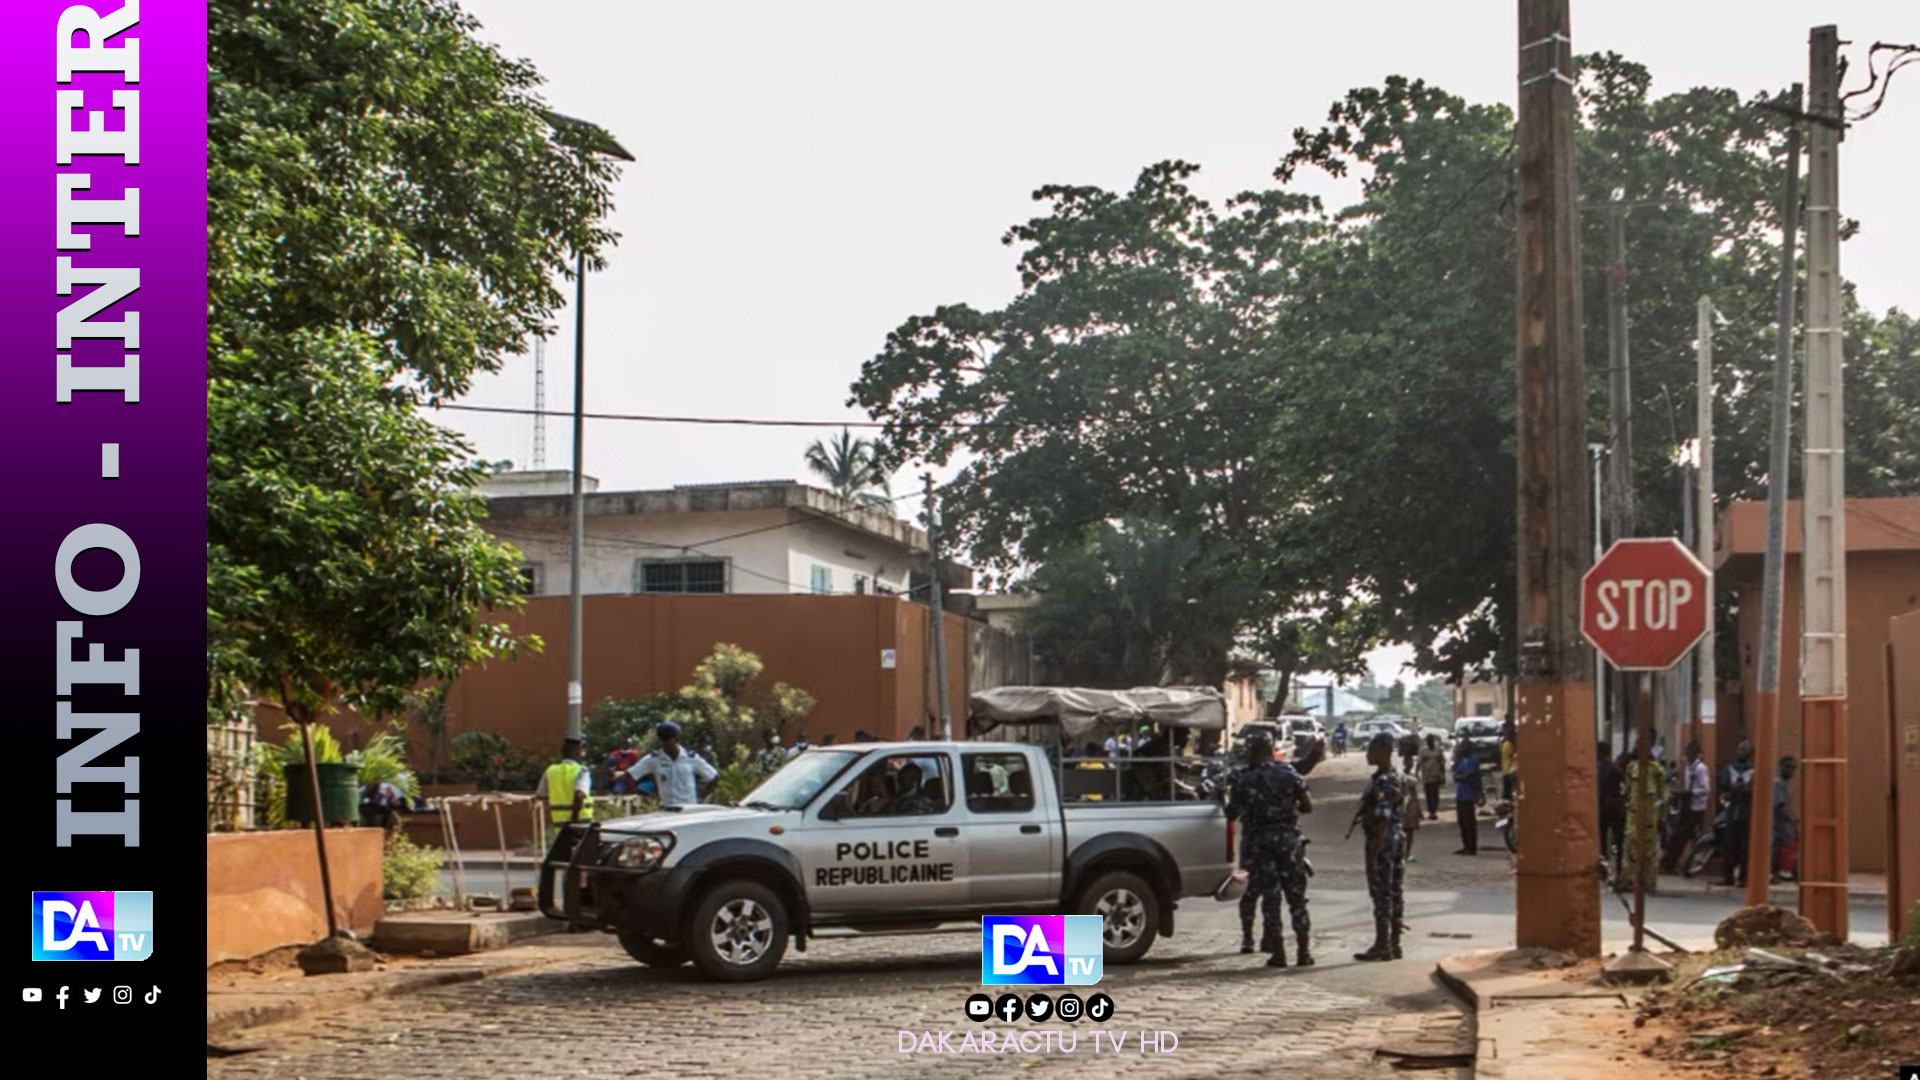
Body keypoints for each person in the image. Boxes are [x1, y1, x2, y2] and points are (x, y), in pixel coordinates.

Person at [1223, 731, 1314, 968]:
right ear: (1272, 749)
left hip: (1260, 844)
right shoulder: (1288, 773)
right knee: (1297, 899)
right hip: (1289, 842)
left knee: (1270, 899)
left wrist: (1225, 797)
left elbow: (1231, 813)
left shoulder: (1244, 780)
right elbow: (1308, 806)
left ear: (1252, 751)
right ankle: (1304, 952)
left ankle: (1279, 953)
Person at [1354, 733, 1407, 961]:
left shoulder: (1384, 780)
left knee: (1382, 891)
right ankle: (1394, 944)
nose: (1368, 754)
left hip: (1383, 839)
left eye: (1372, 750)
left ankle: (1383, 944)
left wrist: (1376, 847)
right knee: (1394, 891)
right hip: (1395, 837)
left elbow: (1384, 814)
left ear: (1384, 752)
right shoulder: (1393, 776)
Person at [628, 721, 718, 807]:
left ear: (676, 739)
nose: (665, 744)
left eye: (668, 740)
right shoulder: (654, 759)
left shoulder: (691, 758)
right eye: (663, 740)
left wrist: (702, 798)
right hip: (667, 810)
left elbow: (713, 777)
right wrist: (646, 794)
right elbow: (630, 775)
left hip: (689, 810)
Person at [1623, 729, 1667, 896]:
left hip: (1650, 816)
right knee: (1631, 848)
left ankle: (1649, 882)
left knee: (1649, 851)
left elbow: (1663, 794)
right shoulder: (1631, 767)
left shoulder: (1656, 769)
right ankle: (1630, 880)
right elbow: (1627, 790)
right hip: (1633, 815)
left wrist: (1662, 815)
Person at [1661, 741, 1711, 874]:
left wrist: (1690, 793)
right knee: (1677, 835)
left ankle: (1671, 864)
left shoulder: (1701, 768)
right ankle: (1671, 862)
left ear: (1695, 753)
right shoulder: (1688, 767)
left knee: (1681, 835)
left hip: (1696, 807)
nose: (1686, 755)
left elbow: (1705, 789)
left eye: (1688, 752)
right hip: (1687, 805)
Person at [535, 735, 594, 837]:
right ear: (577, 752)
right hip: (581, 824)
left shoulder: (550, 771)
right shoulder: (582, 771)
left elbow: (541, 795)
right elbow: (579, 795)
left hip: (560, 825)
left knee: (565, 852)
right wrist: (574, 820)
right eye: (582, 750)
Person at [1717, 740, 1757, 888]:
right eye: (1740, 749)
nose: (1741, 752)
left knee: (1745, 847)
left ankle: (1743, 878)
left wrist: (1739, 790)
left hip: (1747, 814)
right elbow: (1722, 788)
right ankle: (1728, 877)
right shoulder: (1729, 769)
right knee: (1729, 845)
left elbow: (1754, 790)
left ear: (1750, 753)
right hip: (1731, 811)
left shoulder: (1754, 770)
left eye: (1745, 750)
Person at [1597, 741, 1627, 881]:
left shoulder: (1597, 769)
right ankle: (1619, 868)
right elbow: (1624, 788)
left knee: (1602, 840)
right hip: (1615, 808)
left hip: (1602, 808)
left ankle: (1603, 870)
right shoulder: (1616, 769)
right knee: (1619, 839)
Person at [1771, 756, 1799, 883]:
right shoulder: (1778, 783)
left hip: (1783, 824)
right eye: (1789, 768)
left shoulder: (1782, 784)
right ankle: (1774, 874)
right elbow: (1779, 806)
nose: (1791, 772)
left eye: (1793, 769)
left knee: (1787, 849)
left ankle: (1794, 873)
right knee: (1779, 849)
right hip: (1780, 824)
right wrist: (1791, 819)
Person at [1452, 742, 1482, 855]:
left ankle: (1472, 846)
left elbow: (1469, 776)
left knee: (1469, 822)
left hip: (1469, 794)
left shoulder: (1472, 760)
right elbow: (1455, 774)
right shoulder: (1459, 761)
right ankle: (1466, 845)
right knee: (1462, 822)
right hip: (1460, 793)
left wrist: (1460, 777)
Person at [1416, 735, 1447, 820]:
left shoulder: (1438, 750)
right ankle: (1431, 812)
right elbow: (1419, 762)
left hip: (1436, 776)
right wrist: (1416, 772)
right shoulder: (1423, 751)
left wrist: (1443, 774)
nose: (1430, 742)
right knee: (1429, 794)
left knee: (1435, 795)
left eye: (1431, 740)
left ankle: (1433, 810)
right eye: (1428, 740)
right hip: (1426, 776)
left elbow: (1442, 763)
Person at [1498, 720, 1518, 803]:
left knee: (1507, 792)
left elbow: (1512, 756)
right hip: (1507, 770)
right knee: (1507, 792)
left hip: (1508, 770)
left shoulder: (1507, 743)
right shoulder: (1506, 743)